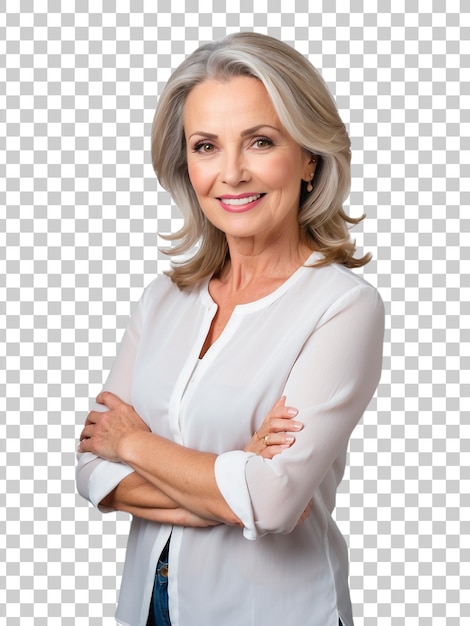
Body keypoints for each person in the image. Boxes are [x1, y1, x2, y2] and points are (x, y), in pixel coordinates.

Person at [76, 32, 384, 626]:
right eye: (206, 146)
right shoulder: (162, 300)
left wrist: (133, 445)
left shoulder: (343, 306)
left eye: (261, 142)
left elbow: (273, 502)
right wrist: (234, 472)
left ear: (309, 158)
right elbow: (93, 470)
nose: (232, 173)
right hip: (146, 607)